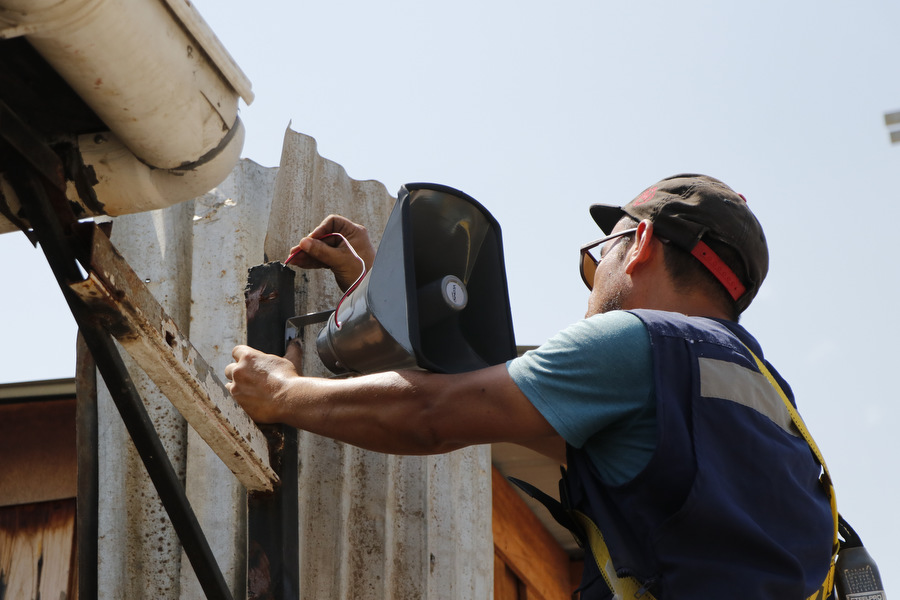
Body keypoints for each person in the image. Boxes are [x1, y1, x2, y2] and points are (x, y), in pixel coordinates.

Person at [225, 174, 836, 599]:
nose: (591, 284)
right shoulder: (767, 401)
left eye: (596, 258)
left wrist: (281, 393)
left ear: (640, 242)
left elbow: (436, 413)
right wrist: (376, 296)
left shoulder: (637, 342)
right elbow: (480, 395)